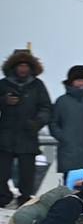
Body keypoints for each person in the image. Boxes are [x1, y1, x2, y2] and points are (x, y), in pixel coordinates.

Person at [0, 49, 53, 207]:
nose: (23, 69)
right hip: (5, 134)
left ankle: (24, 198)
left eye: (26, 66)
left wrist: (37, 123)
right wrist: (4, 100)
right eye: (20, 65)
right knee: (2, 172)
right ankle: (3, 197)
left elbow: (46, 108)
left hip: (28, 134)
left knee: (27, 173)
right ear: (14, 67)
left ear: (31, 67)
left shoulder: (37, 86)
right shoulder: (3, 84)